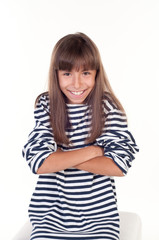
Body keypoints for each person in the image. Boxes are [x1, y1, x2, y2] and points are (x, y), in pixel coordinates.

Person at [22, 32, 139, 240]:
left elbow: (119, 166)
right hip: (50, 218)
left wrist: (60, 156)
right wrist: (94, 151)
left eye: (85, 73)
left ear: (96, 73)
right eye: (67, 74)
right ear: (56, 74)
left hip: (100, 219)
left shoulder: (107, 107)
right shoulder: (46, 105)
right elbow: (39, 163)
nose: (77, 84)